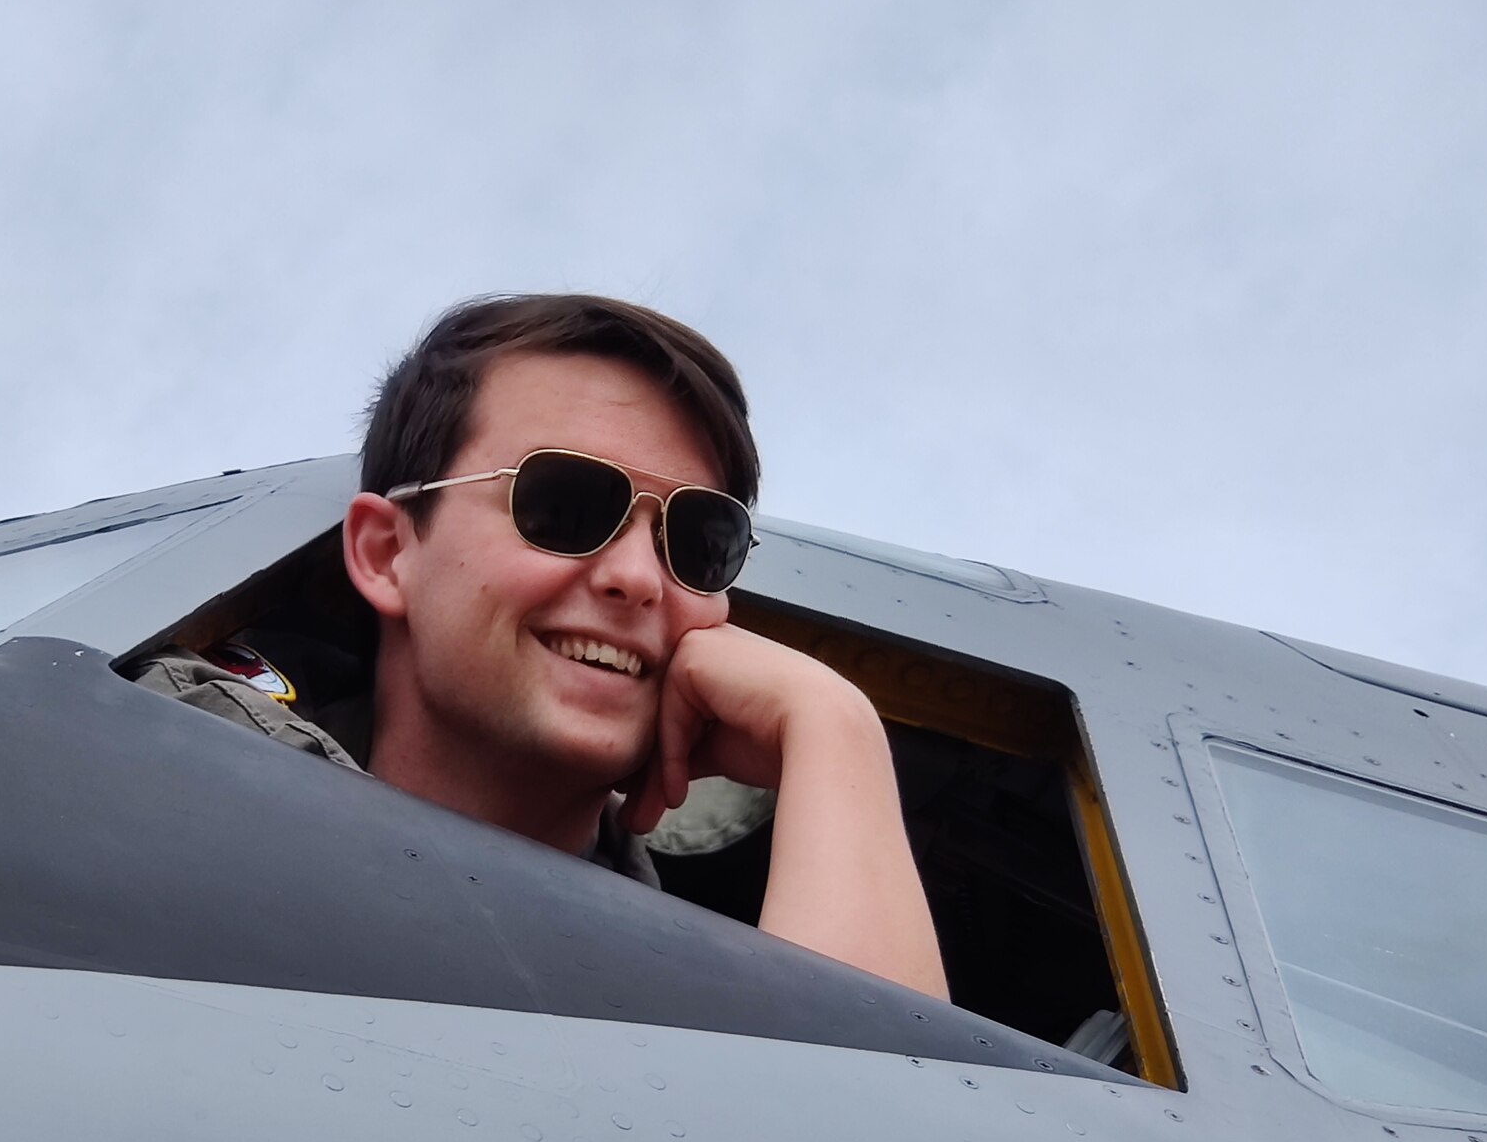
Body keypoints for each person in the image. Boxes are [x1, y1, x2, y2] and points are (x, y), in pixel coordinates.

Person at [134, 295, 947, 1000]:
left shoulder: (700, 1004)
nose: (639, 578)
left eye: (699, 541)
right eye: (560, 504)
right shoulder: (147, 767)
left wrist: (832, 728)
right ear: (387, 554)